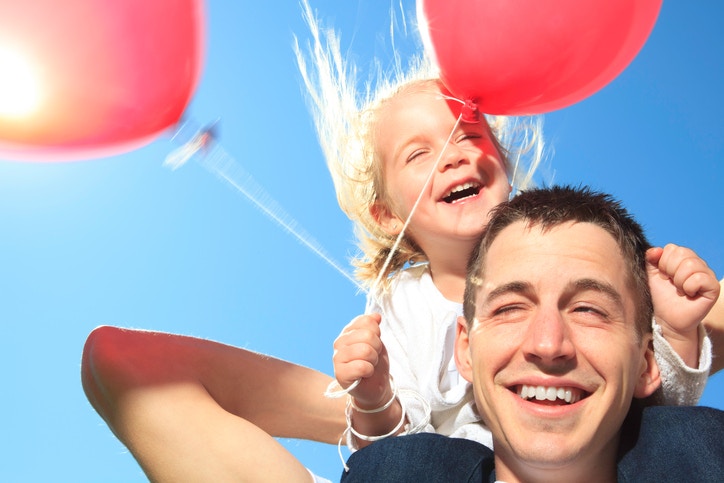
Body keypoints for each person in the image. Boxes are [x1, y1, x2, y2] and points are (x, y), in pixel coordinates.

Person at [80, 2, 723, 481]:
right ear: (389, 215)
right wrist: (371, 394)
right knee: (409, 462)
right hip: (449, 465)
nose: (453, 156)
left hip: (597, 450)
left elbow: (647, 389)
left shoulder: (580, 251)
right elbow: (392, 439)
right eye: (421, 154)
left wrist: (682, 330)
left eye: (470, 137)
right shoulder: (405, 310)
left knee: (675, 436)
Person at [341, 186, 724, 482]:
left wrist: (678, 332)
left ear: (647, 363)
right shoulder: (401, 470)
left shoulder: (699, 453)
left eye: (589, 310)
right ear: (466, 350)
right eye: (510, 308)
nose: (547, 344)